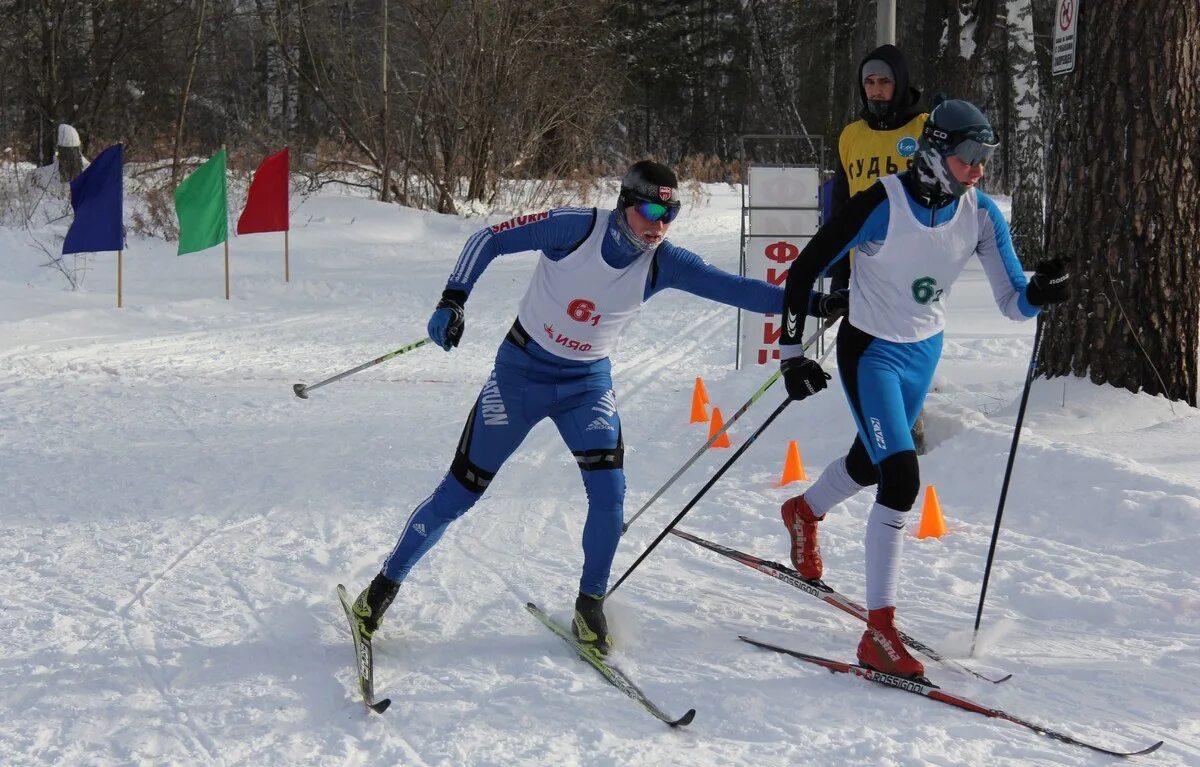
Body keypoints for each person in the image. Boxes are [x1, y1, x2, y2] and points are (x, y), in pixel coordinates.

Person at [349, 161, 840, 655]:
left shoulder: (662, 262)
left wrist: (816, 305)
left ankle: (590, 604)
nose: (659, 224)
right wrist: (453, 298)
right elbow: (489, 238)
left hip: (586, 383)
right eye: (650, 209)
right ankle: (382, 589)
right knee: (460, 493)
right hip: (520, 373)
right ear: (624, 202)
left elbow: (736, 289)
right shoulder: (576, 227)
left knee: (609, 492)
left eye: (671, 214)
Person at [776, 99, 1071, 679]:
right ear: (937, 153)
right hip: (872, 354)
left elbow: (1014, 302)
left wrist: (1043, 293)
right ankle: (878, 633)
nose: (979, 170)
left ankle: (802, 512)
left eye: (987, 158)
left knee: (868, 464)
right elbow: (803, 270)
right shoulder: (879, 204)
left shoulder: (981, 214)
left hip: (923, 353)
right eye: (969, 157)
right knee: (901, 476)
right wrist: (791, 355)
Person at [827, 44, 930, 451]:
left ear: (899, 83)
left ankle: (909, 425)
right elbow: (839, 209)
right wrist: (838, 271)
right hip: (863, 266)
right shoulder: (851, 136)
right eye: (869, 82)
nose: (876, 90)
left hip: (914, 266)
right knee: (867, 347)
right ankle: (880, 429)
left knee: (904, 345)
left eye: (884, 81)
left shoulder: (924, 128)